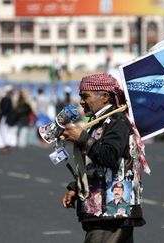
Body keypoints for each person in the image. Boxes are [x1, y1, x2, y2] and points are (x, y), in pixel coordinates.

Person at [61, 73, 148, 243]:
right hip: (103, 210)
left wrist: (82, 138)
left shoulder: (117, 121)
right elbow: (94, 164)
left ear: (105, 97)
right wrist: (75, 188)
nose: (81, 101)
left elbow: (109, 156)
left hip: (112, 209)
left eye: (86, 96)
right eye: (80, 96)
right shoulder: (98, 122)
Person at [0, 86, 18, 153]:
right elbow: (5, 109)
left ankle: (6, 146)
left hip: (7, 118)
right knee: (4, 132)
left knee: (6, 132)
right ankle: (5, 146)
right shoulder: (7, 99)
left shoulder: (7, 99)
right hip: (6, 119)